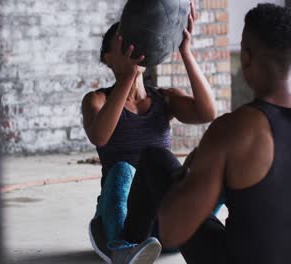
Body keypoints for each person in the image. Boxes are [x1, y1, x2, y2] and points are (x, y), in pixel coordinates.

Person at [121, 3, 291, 264]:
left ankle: (124, 244)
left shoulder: (231, 131)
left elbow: (173, 230)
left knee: (157, 160)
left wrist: (187, 175)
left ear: (245, 57)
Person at [81, 2, 220, 263]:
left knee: (208, 158)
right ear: (108, 58)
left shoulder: (163, 99)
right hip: (129, 225)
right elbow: (99, 136)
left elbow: (207, 112)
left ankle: (203, 227)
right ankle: (119, 247)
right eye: (123, 45)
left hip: (167, 224)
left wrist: (185, 51)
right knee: (122, 170)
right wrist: (127, 77)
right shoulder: (97, 100)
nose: (133, 47)